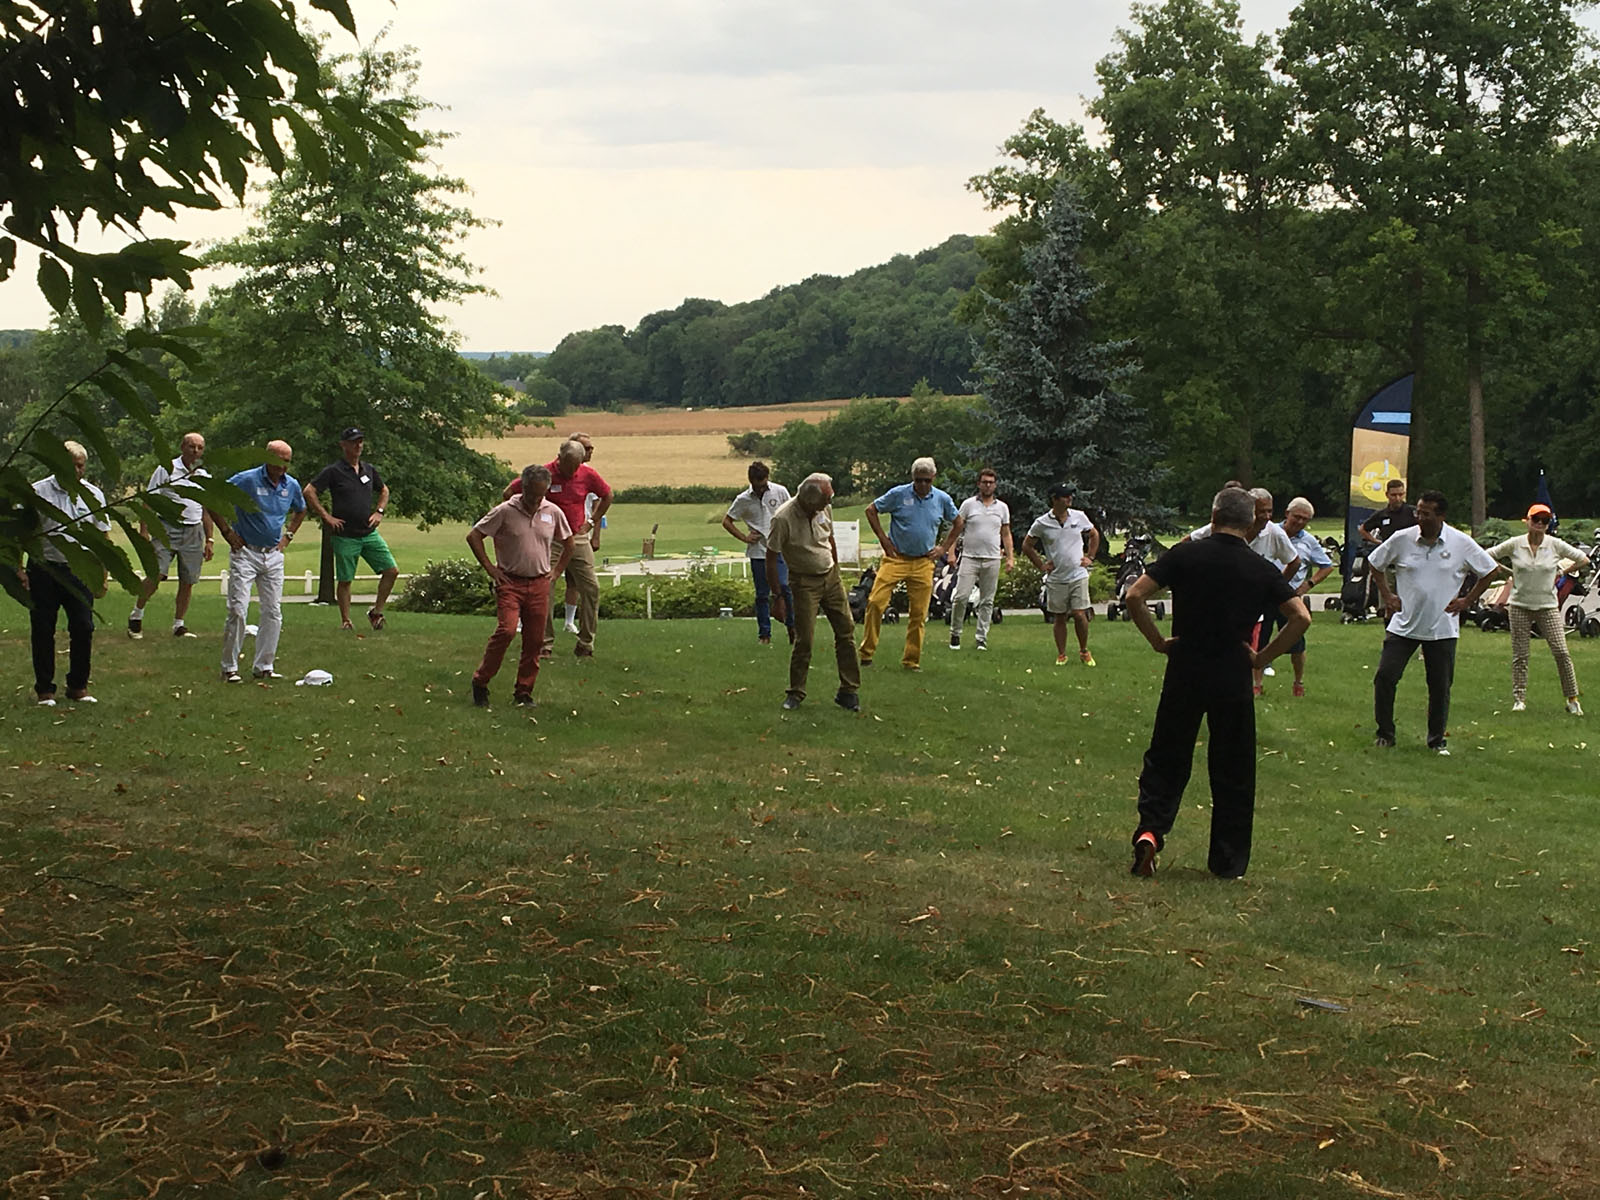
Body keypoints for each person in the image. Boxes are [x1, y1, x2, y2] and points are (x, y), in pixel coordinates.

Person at [1124, 487, 1309, 879]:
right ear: (1250, 522)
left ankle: (1151, 830)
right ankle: (1227, 860)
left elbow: (1135, 596)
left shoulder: (1185, 555)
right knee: (1233, 767)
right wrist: (1262, 658)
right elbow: (1300, 617)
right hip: (1232, 671)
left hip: (1185, 665)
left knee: (1167, 755)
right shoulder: (1259, 567)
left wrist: (1158, 641)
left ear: (1213, 516)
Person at [1367, 490, 1497, 754]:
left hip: (1442, 627)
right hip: (1404, 625)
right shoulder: (1402, 539)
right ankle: (1385, 733)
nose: (1420, 517)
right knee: (1385, 677)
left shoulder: (1460, 543)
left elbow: (1489, 571)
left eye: (1426, 513)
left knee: (1440, 686)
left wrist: (1467, 601)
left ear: (1441, 516)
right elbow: (1375, 563)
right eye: (1418, 511)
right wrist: (1387, 596)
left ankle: (1436, 740)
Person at [466, 464, 575, 707]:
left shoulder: (552, 512)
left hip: (539, 583)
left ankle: (523, 692)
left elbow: (569, 544)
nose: (535, 500)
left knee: (535, 640)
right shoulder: (505, 511)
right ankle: (481, 681)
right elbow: (474, 536)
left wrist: (557, 571)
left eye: (540, 494)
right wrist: (491, 569)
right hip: (510, 582)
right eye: (532, 493)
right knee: (506, 630)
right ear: (523, 488)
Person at [1471, 503, 1590, 715]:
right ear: (1528, 521)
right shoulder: (1515, 544)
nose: (1540, 524)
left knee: (1562, 652)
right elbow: (1486, 555)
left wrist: (1562, 572)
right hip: (1519, 606)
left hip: (1547, 607)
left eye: (1545, 520)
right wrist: (1503, 570)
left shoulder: (1555, 545)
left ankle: (1572, 699)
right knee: (1520, 655)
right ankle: (1519, 699)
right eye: (1536, 519)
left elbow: (1583, 559)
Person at [209, 440, 306, 683]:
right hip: (246, 553)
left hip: (273, 555)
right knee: (238, 609)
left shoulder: (291, 485)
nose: (283, 467)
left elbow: (301, 509)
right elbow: (213, 498)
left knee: (273, 611)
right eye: (279, 461)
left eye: (287, 462)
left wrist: (288, 536)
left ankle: (264, 665)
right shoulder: (247, 480)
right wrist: (226, 532)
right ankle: (229, 667)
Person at [1189, 488, 1300, 693]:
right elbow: (1188, 543)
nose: (1266, 516)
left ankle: (1252, 686)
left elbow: (1294, 561)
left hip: (1251, 603)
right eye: (1261, 511)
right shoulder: (1222, 529)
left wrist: (1274, 591)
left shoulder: (1274, 533)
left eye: (1270, 511)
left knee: (1246, 648)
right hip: (1218, 600)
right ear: (1248, 512)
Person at [23, 441, 109, 706]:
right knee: (43, 628)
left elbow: (102, 538)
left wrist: (102, 574)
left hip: (79, 571)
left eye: (82, 466)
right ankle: (45, 690)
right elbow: (23, 533)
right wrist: (19, 569)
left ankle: (78, 686)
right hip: (44, 569)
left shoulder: (93, 495)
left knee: (83, 626)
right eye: (74, 466)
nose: (78, 471)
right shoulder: (37, 492)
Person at [766, 472, 860, 712]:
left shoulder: (824, 508)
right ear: (808, 500)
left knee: (846, 631)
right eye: (825, 500)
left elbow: (830, 539)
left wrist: (836, 569)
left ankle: (849, 691)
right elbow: (771, 558)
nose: (828, 504)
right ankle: (795, 692)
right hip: (804, 582)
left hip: (830, 577)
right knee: (805, 639)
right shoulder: (783, 519)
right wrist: (777, 597)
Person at [858, 456, 958, 671]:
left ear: (933, 478)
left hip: (923, 561)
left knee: (919, 613)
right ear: (912, 478)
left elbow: (958, 522)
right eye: (918, 480)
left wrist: (943, 548)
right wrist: (883, 539)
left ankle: (911, 660)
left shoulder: (942, 499)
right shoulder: (898, 494)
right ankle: (866, 653)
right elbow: (871, 510)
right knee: (875, 602)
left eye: (926, 480)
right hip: (896, 558)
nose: (922, 485)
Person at [303, 426, 400, 631]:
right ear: (343, 445)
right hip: (345, 535)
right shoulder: (334, 471)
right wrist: (326, 516)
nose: (358, 445)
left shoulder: (368, 469)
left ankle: (376, 612)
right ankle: (346, 621)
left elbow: (384, 490)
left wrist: (379, 511)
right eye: (354, 442)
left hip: (369, 533)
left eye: (360, 441)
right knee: (345, 580)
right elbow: (309, 491)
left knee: (391, 570)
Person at [128, 431, 213, 640]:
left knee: (188, 579)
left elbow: (206, 510)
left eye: (200, 448)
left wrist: (210, 539)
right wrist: (144, 530)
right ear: (183, 447)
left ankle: (179, 624)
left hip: (193, 530)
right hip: (167, 527)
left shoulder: (203, 475)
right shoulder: (167, 469)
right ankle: (136, 615)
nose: (195, 451)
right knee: (157, 573)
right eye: (192, 446)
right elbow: (149, 500)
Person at [532, 439, 610, 658]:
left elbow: (607, 495)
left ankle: (585, 643)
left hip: (577, 537)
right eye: (569, 466)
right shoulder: (544, 473)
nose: (573, 471)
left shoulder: (587, 474)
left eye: (577, 466)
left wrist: (592, 522)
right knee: (545, 586)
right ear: (559, 458)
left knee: (591, 588)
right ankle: (544, 644)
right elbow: (513, 492)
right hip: (551, 539)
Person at [1022, 483, 1100, 666]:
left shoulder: (1079, 516)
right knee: (1059, 616)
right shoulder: (1042, 523)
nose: (1069, 499)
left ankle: (1084, 651)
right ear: (1054, 499)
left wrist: (1090, 557)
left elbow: (1094, 534)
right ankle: (1062, 654)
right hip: (1056, 577)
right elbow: (1027, 545)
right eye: (1065, 496)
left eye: (1070, 495)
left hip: (1078, 574)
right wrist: (1041, 565)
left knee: (1079, 614)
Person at [939, 466, 1014, 652]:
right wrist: (951, 553)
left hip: (992, 558)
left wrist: (1010, 557)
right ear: (979, 484)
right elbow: (957, 528)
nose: (988, 485)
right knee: (961, 597)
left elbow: (1006, 533)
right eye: (984, 482)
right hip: (970, 558)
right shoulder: (968, 505)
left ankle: (981, 638)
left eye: (991, 482)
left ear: (995, 485)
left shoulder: (1002, 508)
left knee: (987, 600)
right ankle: (955, 633)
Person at [722, 461, 794, 645]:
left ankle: (792, 628)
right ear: (751, 481)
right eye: (757, 486)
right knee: (762, 594)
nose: (761, 489)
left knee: (785, 587)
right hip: (758, 552)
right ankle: (764, 634)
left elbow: (792, 513)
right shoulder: (743, 499)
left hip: (780, 549)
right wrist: (744, 538)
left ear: (767, 478)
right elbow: (727, 521)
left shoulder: (780, 491)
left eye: (763, 485)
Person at [1278, 497, 1336, 697]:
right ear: (1287, 514)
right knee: (1259, 639)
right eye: (1297, 517)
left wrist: (1308, 584)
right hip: (1264, 594)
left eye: (1305, 519)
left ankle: (1298, 682)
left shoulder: (1308, 541)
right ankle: (1256, 684)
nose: (1300, 522)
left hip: (1290, 596)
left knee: (1296, 641)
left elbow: (1327, 566)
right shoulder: (1271, 532)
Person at [1360, 478, 1416, 546]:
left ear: (1404, 494)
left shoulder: (1413, 512)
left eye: (1400, 494)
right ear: (1387, 494)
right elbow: (1363, 529)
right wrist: (1379, 542)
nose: (1397, 498)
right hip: (1389, 550)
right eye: (1393, 495)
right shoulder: (1382, 514)